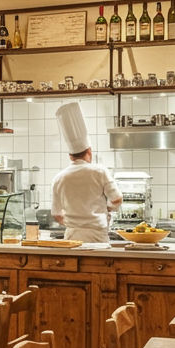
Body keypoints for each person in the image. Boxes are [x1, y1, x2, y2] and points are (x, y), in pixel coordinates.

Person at [50, 102, 121, 243]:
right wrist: (107, 209)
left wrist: (76, 224)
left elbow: (57, 215)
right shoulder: (99, 171)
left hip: (71, 237)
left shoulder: (59, 178)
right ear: (89, 151)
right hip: (97, 237)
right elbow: (117, 199)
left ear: (70, 156)